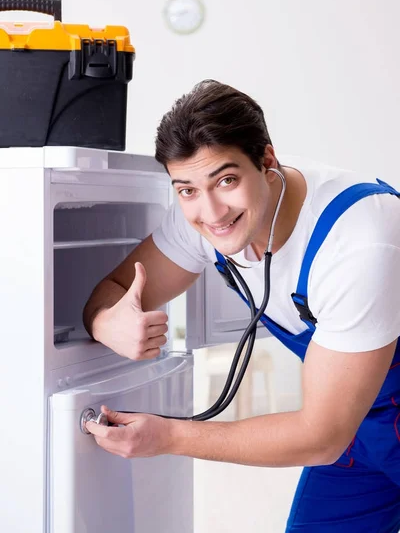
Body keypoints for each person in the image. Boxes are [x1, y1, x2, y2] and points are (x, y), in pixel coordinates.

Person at [84, 80, 400, 532]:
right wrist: (104, 321)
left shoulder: (359, 240)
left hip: (338, 424)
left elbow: (322, 436)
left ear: (267, 161)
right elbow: (115, 286)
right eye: (186, 189)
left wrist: (169, 435)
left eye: (226, 180)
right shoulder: (200, 220)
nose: (210, 212)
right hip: (356, 425)